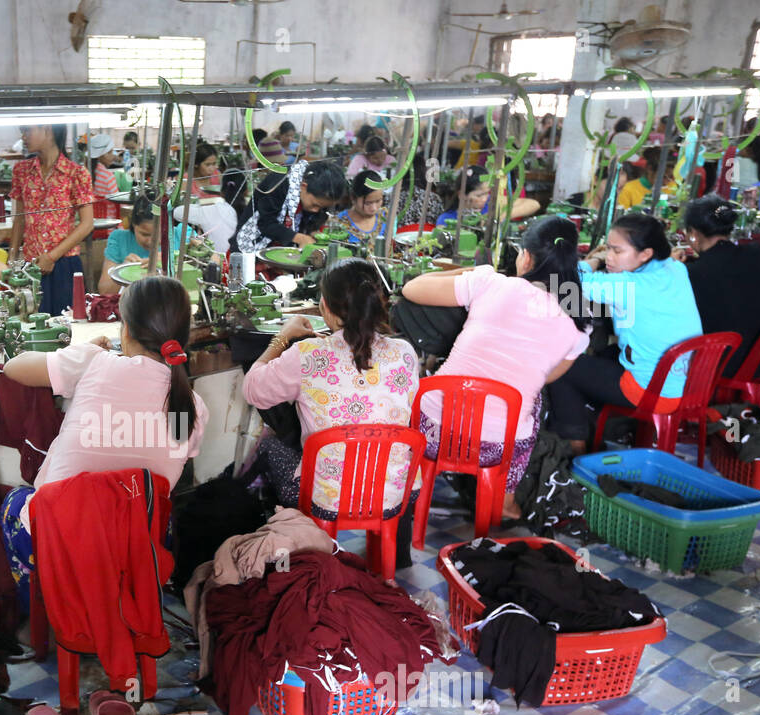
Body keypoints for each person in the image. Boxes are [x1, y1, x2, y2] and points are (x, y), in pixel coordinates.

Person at [0, 275, 208, 598]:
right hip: (136, 548)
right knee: (160, 512)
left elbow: (15, 367)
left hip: (62, 545)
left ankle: (52, 610)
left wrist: (81, 352)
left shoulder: (94, 364)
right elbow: (176, 453)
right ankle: (129, 604)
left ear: (126, 330)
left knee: (14, 504)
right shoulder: (187, 406)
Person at [403, 216, 590, 520]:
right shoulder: (579, 317)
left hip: (432, 432)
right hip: (497, 448)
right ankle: (504, 498)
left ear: (526, 257)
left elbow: (413, 288)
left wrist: (474, 271)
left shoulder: (490, 283)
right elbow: (549, 375)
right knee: (531, 399)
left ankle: (415, 484)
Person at [242, 259, 421, 561]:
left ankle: (303, 555)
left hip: (328, 497)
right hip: (394, 492)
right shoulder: (404, 353)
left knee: (270, 447)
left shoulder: (308, 355)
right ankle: (394, 557)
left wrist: (282, 337)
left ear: (324, 306)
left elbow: (253, 389)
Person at [546, 213, 704, 453]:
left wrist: (595, 260)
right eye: (607, 249)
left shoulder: (626, 287)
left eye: (617, 251)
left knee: (562, 366)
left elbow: (560, 280)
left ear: (646, 254)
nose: (610, 256)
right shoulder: (676, 269)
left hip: (650, 390)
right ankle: (593, 426)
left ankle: (574, 451)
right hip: (688, 384)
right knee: (598, 355)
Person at [677, 195, 760, 379]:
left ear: (692, 234)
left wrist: (670, 267)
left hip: (722, 363)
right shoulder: (758, 254)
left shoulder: (692, 273)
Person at [9, 124, 95, 315]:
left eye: (27, 131)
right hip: (30, 265)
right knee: (29, 323)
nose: (23, 136)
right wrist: (12, 257)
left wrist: (51, 256)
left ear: (47, 129)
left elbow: (87, 224)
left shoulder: (76, 173)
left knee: (66, 325)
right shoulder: (21, 171)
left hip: (64, 264)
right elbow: (19, 219)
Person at [235, 159, 348, 254]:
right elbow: (265, 224)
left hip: (282, 251)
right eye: (315, 205)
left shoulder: (313, 192)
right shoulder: (278, 183)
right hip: (252, 247)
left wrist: (313, 232)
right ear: (303, 186)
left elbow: (314, 218)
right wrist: (300, 238)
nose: (316, 210)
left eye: (322, 208)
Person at [98, 198, 187, 295]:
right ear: (133, 225)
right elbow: (104, 291)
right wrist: (122, 270)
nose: (151, 242)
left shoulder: (182, 235)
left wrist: (170, 260)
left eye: (159, 234)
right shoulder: (119, 240)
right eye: (145, 234)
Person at [174, 167, 249, 255]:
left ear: (221, 191)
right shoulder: (250, 212)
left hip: (220, 263)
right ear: (246, 192)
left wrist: (199, 207)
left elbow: (177, 212)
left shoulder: (212, 211)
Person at [337, 170, 389, 245]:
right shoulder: (339, 223)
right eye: (367, 203)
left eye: (378, 201)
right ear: (353, 198)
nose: (374, 208)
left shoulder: (385, 216)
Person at [400, 152, 446, 227]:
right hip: (426, 236)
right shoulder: (434, 199)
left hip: (398, 236)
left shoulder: (393, 199)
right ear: (424, 172)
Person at [86, 133, 119, 200]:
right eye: (109, 152)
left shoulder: (86, 172)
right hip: (110, 210)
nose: (112, 156)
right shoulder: (108, 176)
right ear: (99, 155)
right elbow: (118, 200)